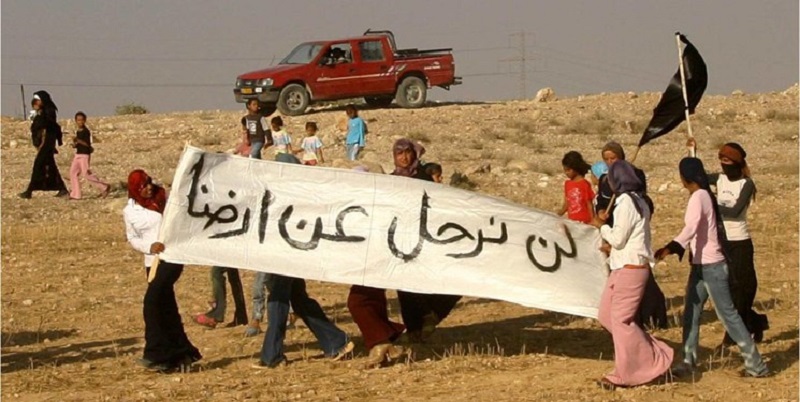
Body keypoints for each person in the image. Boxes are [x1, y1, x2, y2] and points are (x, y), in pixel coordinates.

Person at [655, 157, 769, 378]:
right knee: (691, 314)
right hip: (700, 265)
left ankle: (757, 365)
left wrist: (671, 247)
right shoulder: (704, 194)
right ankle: (688, 361)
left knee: (728, 316)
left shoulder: (699, 197)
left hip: (712, 267)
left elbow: (691, 227)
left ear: (683, 177)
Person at [252, 153, 353, 368]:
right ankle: (336, 342)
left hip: (288, 256)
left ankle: (272, 355)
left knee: (279, 299)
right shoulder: (283, 194)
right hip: (283, 255)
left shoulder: (296, 196)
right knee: (298, 299)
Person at [590, 160, 673, 389]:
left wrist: (601, 226)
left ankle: (625, 374)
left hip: (631, 269)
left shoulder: (627, 202)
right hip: (623, 266)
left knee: (620, 321)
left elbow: (618, 238)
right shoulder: (639, 201)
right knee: (606, 316)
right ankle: (655, 356)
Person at [688, 139, 768, 344]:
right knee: (729, 289)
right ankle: (748, 325)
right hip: (722, 241)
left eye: (728, 161)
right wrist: (692, 153)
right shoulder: (720, 179)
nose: (725, 164)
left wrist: (711, 204)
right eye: (722, 160)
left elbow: (735, 211)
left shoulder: (746, 184)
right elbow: (698, 179)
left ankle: (741, 329)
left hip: (740, 242)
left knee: (744, 287)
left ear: (738, 163)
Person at [123, 170, 201, 372]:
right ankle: (180, 354)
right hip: (152, 261)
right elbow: (132, 238)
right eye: (143, 186)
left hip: (171, 256)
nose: (149, 188)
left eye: (149, 183)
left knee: (151, 301)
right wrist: (149, 247)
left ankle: (154, 352)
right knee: (166, 308)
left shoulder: (165, 199)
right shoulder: (130, 211)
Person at [391, 139, 462, 343]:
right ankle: (414, 329)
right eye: (399, 153)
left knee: (441, 280)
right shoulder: (390, 181)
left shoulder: (425, 179)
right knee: (404, 287)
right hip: (401, 240)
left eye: (407, 153)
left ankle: (434, 314)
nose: (404, 157)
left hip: (426, 239)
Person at [600, 141, 668, 330]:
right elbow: (602, 202)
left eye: (613, 158)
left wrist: (603, 228)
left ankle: (652, 323)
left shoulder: (631, 197)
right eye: (606, 159)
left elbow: (620, 238)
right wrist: (602, 216)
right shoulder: (606, 181)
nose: (610, 162)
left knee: (630, 304)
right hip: (618, 232)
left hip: (628, 244)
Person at [19, 90, 69, 199]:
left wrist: (38, 118)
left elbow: (49, 126)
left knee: (38, 165)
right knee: (51, 167)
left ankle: (29, 190)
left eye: (38, 100)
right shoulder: (42, 112)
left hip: (46, 143)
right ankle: (62, 188)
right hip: (44, 143)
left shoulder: (49, 111)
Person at [68, 111, 110, 200]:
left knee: (86, 174)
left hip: (84, 155)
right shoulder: (78, 132)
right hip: (78, 155)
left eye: (82, 120)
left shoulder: (86, 132)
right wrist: (75, 144)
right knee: (73, 173)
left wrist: (77, 140)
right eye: (78, 120)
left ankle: (104, 187)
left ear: (85, 120)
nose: (80, 122)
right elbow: (78, 143)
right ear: (75, 121)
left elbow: (87, 144)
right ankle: (75, 194)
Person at [557, 151, 595, 224]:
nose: (566, 173)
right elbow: (567, 203)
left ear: (575, 168)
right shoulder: (567, 184)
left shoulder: (585, 184)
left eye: (568, 170)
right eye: (565, 170)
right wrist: (559, 213)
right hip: (572, 222)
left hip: (584, 222)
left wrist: (592, 220)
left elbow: (589, 204)